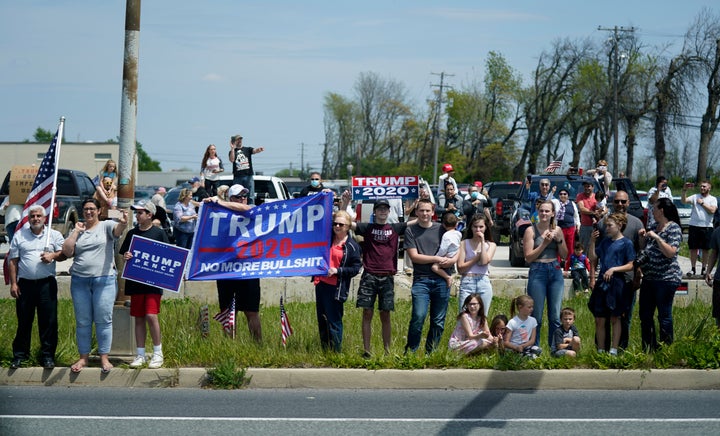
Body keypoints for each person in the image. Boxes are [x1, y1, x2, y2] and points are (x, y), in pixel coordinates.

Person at [62, 198, 128, 373]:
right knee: (83, 321)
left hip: (104, 280)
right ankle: (83, 358)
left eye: (92, 209)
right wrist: (75, 232)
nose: (89, 212)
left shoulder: (106, 225)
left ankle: (104, 358)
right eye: (85, 209)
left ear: (99, 211)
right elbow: (67, 251)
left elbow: (117, 230)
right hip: (80, 281)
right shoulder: (79, 230)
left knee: (103, 320)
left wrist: (122, 222)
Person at [345, 197, 411, 356]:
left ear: (389, 211)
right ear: (374, 211)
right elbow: (346, 223)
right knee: (367, 312)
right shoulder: (367, 227)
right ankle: (367, 351)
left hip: (387, 276)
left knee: (385, 314)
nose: (382, 211)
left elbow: (418, 220)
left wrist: (420, 202)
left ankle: (387, 351)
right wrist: (345, 204)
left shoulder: (395, 228)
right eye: (379, 208)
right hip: (369, 275)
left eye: (385, 209)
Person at [7, 204, 66, 369]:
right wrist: (13, 283)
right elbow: (13, 261)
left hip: (46, 284)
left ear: (44, 218)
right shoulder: (20, 235)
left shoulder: (53, 235)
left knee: (48, 322)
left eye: (39, 216)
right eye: (32, 216)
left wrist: (52, 255)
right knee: (24, 321)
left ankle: (47, 357)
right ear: (28, 218)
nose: (36, 219)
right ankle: (20, 356)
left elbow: (64, 254)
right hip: (24, 285)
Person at [204, 185, 263, 341]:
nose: (243, 199)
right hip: (226, 269)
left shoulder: (252, 211)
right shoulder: (219, 214)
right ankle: (230, 346)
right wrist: (208, 204)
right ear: (231, 198)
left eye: (245, 196)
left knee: (251, 311)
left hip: (248, 269)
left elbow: (245, 209)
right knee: (228, 311)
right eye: (238, 197)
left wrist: (220, 202)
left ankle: (258, 346)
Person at [119, 200, 170, 368]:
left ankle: (157, 352)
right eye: (137, 212)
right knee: (139, 318)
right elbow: (124, 254)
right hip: (135, 282)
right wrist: (126, 256)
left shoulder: (159, 233)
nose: (138, 215)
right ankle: (140, 354)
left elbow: (169, 257)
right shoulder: (131, 233)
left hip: (153, 283)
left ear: (149, 215)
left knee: (151, 315)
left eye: (141, 212)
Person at [596, 189, 644, 350]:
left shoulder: (637, 223)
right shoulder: (604, 222)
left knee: (624, 316)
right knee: (604, 317)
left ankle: (621, 350)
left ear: (628, 203)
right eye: (617, 201)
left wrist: (638, 275)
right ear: (612, 202)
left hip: (628, 279)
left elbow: (640, 252)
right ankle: (603, 350)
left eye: (623, 201)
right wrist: (591, 277)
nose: (620, 204)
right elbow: (597, 253)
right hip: (606, 280)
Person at [404, 198, 452, 354]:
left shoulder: (442, 229)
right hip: (421, 280)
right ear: (416, 212)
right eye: (421, 210)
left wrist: (449, 261)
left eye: (427, 210)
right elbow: (415, 257)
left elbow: (455, 250)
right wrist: (437, 259)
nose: (424, 213)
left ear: (433, 212)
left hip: (442, 279)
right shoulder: (411, 230)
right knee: (418, 316)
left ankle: (431, 353)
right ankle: (410, 352)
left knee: (438, 321)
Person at [312, 210, 361, 352]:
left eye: (341, 224)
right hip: (321, 284)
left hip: (336, 288)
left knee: (334, 321)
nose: (337, 226)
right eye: (335, 224)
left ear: (347, 227)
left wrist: (338, 271)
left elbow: (356, 268)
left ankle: (336, 352)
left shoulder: (352, 246)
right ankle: (325, 350)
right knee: (322, 320)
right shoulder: (326, 239)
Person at [637, 197, 682, 351]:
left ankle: (666, 349)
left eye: (654, 208)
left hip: (666, 279)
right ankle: (649, 348)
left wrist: (657, 238)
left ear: (661, 210)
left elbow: (670, 252)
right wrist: (643, 237)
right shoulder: (653, 226)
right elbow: (645, 249)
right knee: (645, 315)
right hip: (649, 278)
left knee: (664, 316)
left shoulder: (673, 228)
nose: (652, 212)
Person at [588, 213, 635, 355]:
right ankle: (601, 350)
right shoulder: (605, 242)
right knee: (599, 318)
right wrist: (592, 242)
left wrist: (614, 269)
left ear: (619, 226)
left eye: (610, 225)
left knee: (615, 316)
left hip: (617, 283)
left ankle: (614, 349)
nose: (607, 228)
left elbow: (631, 264)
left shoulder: (626, 243)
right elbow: (593, 258)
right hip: (603, 281)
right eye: (606, 225)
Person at [524, 200, 567, 347]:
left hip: (555, 270)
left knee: (555, 315)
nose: (544, 214)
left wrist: (559, 240)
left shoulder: (558, 229)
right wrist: (544, 244)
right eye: (541, 211)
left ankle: (554, 347)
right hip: (537, 271)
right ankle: (534, 346)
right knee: (536, 314)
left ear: (553, 213)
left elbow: (565, 255)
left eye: (547, 211)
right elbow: (528, 257)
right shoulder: (531, 230)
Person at [456, 214, 496, 315]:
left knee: (482, 316)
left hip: (483, 281)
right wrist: (475, 258)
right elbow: (460, 268)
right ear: (471, 227)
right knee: (464, 316)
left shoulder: (491, 245)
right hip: (467, 282)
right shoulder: (464, 243)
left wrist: (482, 242)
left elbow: (484, 261)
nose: (478, 229)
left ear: (486, 227)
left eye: (481, 227)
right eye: (475, 226)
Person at [682, 181, 717, 277]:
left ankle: (704, 269)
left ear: (709, 188)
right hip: (694, 225)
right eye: (701, 186)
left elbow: (712, 210)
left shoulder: (712, 199)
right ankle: (693, 269)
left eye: (704, 186)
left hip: (706, 227)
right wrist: (684, 190)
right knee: (693, 248)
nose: (702, 188)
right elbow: (684, 201)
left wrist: (702, 203)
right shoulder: (695, 196)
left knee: (705, 249)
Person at [431, 213, 462, 288]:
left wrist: (437, 257)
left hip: (448, 255)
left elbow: (443, 248)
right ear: (456, 224)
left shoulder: (446, 235)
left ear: (444, 225)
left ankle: (447, 277)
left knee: (434, 267)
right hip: (455, 254)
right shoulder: (458, 233)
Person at [229, 134, 264, 199]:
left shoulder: (247, 149)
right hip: (237, 177)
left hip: (248, 176)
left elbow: (254, 151)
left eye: (240, 139)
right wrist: (232, 149)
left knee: (250, 196)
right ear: (234, 141)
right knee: (237, 195)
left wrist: (258, 150)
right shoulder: (232, 151)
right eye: (238, 139)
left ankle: (250, 207)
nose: (239, 141)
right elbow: (232, 160)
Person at [576, 180, 601, 250]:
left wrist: (601, 211)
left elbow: (603, 207)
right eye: (585, 186)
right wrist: (594, 212)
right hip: (585, 226)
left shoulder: (597, 196)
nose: (586, 188)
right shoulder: (580, 196)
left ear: (593, 187)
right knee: (583, 247)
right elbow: (582, 208)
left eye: (588, 186)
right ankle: (584, 260)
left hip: (597, 226)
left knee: (596, 246)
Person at [555, 188, 580, 257]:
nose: (563, 195)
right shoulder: (556, 203)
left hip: (570, 228)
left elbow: (576, 216)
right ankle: (558, 263)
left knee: (570, 246)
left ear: (568, 196)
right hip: (560, 228)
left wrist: (578, 225)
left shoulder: (572, 203)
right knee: (559, 245)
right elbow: (548, 200)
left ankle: (569, 263)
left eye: (565, 194)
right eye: (561, 194)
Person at [704, 226, 720, 330]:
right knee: (719, 315)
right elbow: (714, 253)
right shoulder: (717, 232)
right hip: (719, 279)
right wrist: (708, 271)